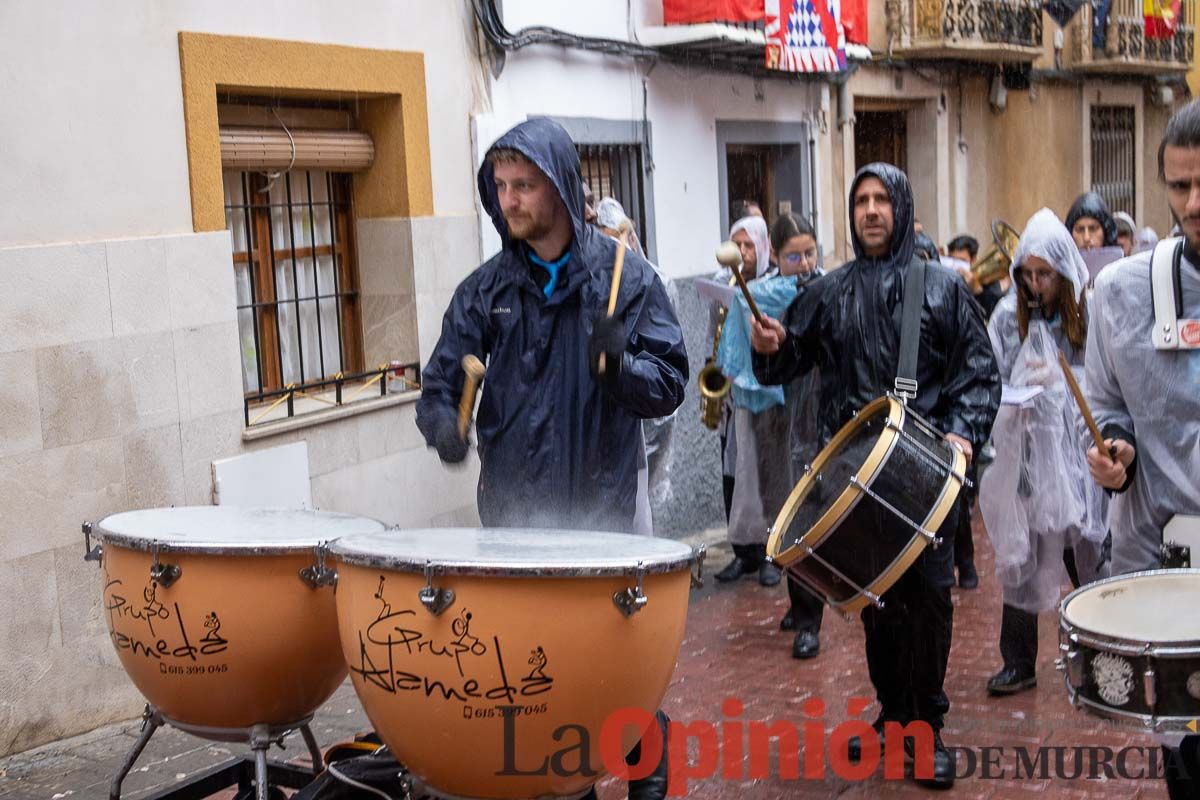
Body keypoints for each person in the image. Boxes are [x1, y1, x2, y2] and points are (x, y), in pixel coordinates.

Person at [750, 163, 1001, 789]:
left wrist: (962, 434)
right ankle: (891, 716)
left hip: (925, 471)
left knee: (929, 601)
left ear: (903, 207)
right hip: (854, 473)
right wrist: (770, 345)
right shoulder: (828, 291)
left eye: (881, 199)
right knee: (876, 603)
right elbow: (789, 362)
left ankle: (928, 727)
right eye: (860, 200)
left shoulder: (941, 289)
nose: (869, 211)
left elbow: (979, 372)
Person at [416, 118, 688, 534]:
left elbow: (669, 384)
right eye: (501, 186)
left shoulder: (626, 278)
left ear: (561, 187)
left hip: (601, 520)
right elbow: (441, 386)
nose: (509, 201)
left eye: (523, 186)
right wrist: (442, 425)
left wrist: (621, 369)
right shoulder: (485, 291)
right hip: (512, 521)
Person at [1085, 100, 1200, 799]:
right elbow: (1104, 404)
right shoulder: (1122, 294)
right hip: (1172, 563)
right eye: (1180, 185)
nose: (1193, 202)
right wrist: (1116, 453)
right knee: (1187, 753)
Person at [979, 208, 1107, 696]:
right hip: (1029, 453)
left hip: (1076, 453)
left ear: (1063, 272)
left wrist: (1065, 387)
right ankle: (1018, 661)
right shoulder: (1006, 316)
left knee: (1085, 553)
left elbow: (1103, 378)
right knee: (1022, 554)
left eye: (1044, 274)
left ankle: (1103, 655)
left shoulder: (1089, 313)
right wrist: (1017, 391)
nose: (1034, 285)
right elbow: (992, 375)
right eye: (1026, 274)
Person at [766, 213, 827, 659]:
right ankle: (799, 602)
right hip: (783, 416)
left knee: (812, 520)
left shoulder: (828, 292)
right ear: (775, 256)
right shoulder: (767, 295)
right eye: (793, 256)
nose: (804, 264)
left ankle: (811, 621)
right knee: (789, 513)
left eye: (810, 253)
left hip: (823, 415)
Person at [714, 215, 783, 586]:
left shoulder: (778, 285)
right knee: (740, 475)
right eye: (736, 245)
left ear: (762, 245)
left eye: (748, 245)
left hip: (771, 395)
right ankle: (745, 552)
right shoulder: (726, 285)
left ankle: (773, 552)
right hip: (737, 394)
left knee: (769, 475)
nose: (742, 252)